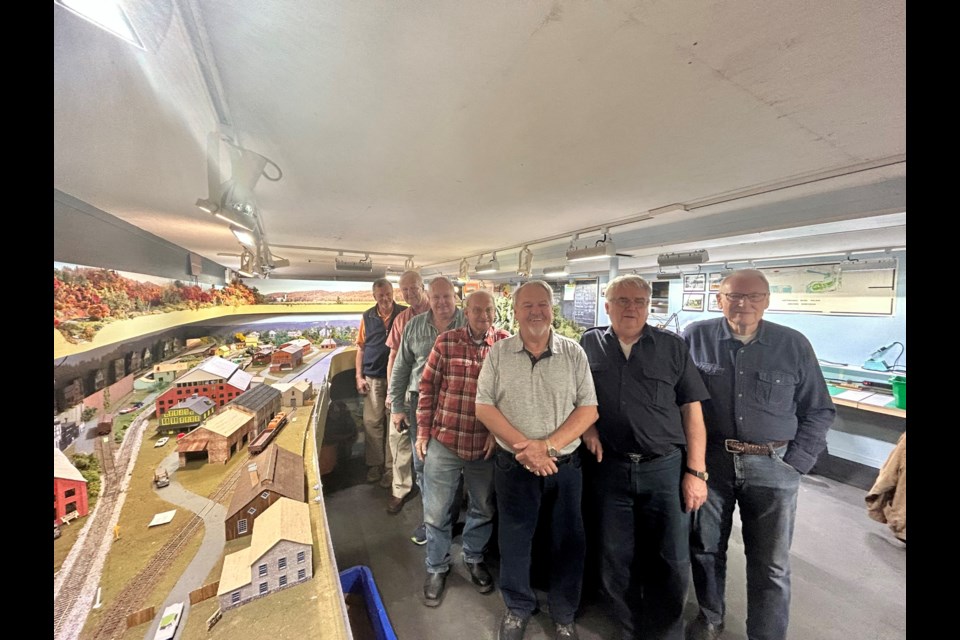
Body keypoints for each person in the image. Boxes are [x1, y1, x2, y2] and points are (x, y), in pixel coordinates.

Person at [683, 269, 836, 640]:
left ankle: (766, 634)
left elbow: (819, 409)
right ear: (719, 299)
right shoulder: (695, 337)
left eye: (753, 296)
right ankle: (710, 618)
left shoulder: (793, 344)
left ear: (766, 300)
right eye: (734, 296)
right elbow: (681, 400)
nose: (743, 304)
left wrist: (795, 464)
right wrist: (690, 463)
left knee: (771, 563)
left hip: (773, 466)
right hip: (711, 463)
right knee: (705, 549)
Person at [579, 274, 710, 640]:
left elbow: (691, 410)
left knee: (670, 557)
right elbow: (576, 395)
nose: (631, 308)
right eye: (622, 300)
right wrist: (587, 429)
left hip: (664, 468)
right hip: (610, 469)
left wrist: (696, 472)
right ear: (607, 306)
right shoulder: (589, 343)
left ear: (649, 305)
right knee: (614, 555)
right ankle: (627, 626)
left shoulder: (672, 347)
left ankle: (665, 631)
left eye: (638, 301)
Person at [475, 280, 598, 640]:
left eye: (542, 304)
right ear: (514, 313)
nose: (535, 312)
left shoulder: (574, 353)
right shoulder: (498, 354)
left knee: (568, 542)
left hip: (565, 467)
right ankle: (517, 607)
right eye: (527, 306)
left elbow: (589, 409)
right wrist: (524, 448)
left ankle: (564, 613)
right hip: (513, 467)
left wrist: (548, 448)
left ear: (551, 308)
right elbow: (484, 406)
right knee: (514, 540)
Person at [415, 289, 510, 607]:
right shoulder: (446, 342)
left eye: (489, 311)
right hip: (445, 441)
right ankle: (437, 567)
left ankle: (473, 558)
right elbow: (427, 388)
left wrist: (497, 435)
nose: (483, 316)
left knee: (482, 508)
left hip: (484, 447)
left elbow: (511, 397)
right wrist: (423, 433)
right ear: (465, 312)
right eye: (477, 310)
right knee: (437, 510)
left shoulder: (505, 345)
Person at [389, 277, 465, 517]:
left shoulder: (469, 322)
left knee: (457, 464)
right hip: (419, 406)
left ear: (455, 297)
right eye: (436, 297)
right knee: (422, 463)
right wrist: (397, 407)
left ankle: (450, 516)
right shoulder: (413, 326)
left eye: (446, 296)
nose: (442, 302)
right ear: (428, 299)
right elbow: (401, 367)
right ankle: (431, 516)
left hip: (459, 405)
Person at [384, 270, 433, 536]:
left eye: (413, 289)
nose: (409, 294)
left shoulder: (440, 314)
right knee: (402, 442)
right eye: (404, 290)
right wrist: (393, 396)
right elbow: (394, 358)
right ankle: (400, 490)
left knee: (433, 448)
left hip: (434, 395)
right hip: (408, 393)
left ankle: (442, 504)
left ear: (422, 288)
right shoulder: (402, 320)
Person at [355, 278, 407, 486]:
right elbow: (361, 347)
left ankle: (390, 468)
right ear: (374, 296)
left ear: (393, 293)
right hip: (374, 378)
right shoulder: (367, 316)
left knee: (394, 425)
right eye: (380, 295)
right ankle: (375, 464)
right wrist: (358, 376)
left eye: (388, 294)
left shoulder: (404, 313)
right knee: (372, 422)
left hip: (398, 378)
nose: (385, 298)